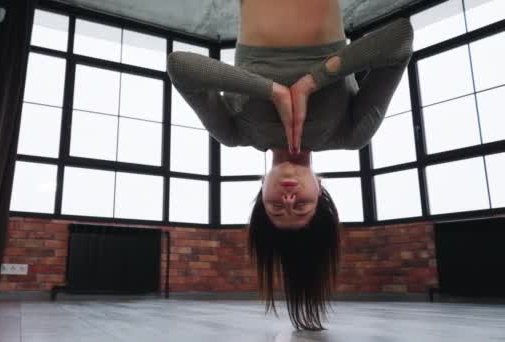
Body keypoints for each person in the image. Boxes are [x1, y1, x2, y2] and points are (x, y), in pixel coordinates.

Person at [167, 0, 413, 331]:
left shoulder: (234, 132)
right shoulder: (351, 132)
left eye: (275, 208)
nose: (287, 199)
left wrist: (272, 92)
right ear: (321, 191)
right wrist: (314, 80)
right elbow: (399, 39)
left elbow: (180, 66)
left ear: (261, 192)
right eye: (301, 207)